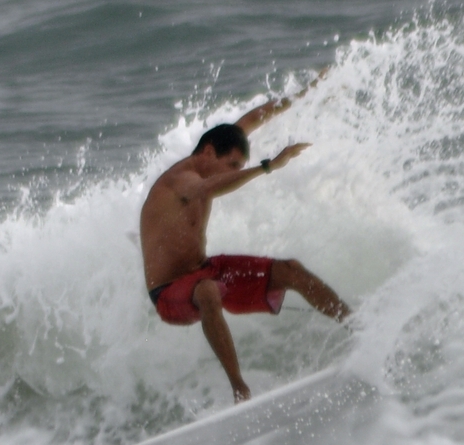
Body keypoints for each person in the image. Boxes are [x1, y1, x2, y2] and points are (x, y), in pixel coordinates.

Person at [140, 86, 350, 402]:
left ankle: (357, 327)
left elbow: (252, 119)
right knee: (208, 290)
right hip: (170, 293)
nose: (235, 171)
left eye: (239, 166)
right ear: (208, 152)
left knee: (290, 270)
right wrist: (268, 166)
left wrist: (304, 94)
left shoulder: (218, 147)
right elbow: (211, 185)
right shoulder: (179, 181)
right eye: (233, 164)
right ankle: (240, 389)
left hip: (204, 272)